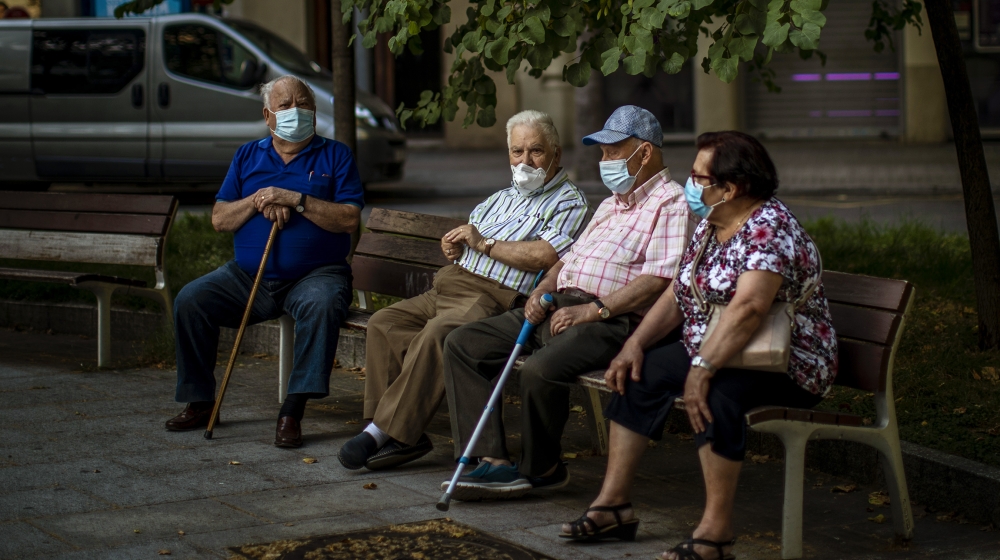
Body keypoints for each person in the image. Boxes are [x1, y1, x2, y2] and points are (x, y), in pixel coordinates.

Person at [558, 131, 837, 560]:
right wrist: (635, 343)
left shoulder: (769, 228)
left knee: (715, 394)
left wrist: (703, 367)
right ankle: (613, 505)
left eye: (699, 177)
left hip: (787, 363)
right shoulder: (712, 224)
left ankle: (716, 533)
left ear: (732, 188)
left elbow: (748, 309)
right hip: (716, 345)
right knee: (638, 373)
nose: (690, 184)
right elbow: (676, 294)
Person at [441, 105, 698, 501]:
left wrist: (592, 310)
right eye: (603, 152)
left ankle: (542, 468)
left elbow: (658, 279)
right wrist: (544, 287)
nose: (604, 161)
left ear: (644, 153)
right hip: (560, 303)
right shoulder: (613, 202)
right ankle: (487, 461)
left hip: (612, 318)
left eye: (613, 151)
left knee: (539, 370)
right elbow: (569, 257)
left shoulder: (670, 202)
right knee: (463, 343)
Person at [337, 110, 590, 471]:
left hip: (492, 296)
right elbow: (468, 236)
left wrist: (484, 244)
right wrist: (455, 246)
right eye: (517, 151)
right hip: (447, 285)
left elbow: (545, 255)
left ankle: (382, 432)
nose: (525, 160)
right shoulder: (499, 198)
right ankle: (395, 432)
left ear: (555, 154)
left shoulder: (570, 201)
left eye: (535, 151)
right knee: (384, 322)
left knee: (438, 334)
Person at [165, 75, 363, 448]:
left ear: (315, 112)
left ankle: (292, 408)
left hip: (316, 275)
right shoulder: (247, 155)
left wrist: (295, 199)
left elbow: (349, 219)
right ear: (268, 116)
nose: (296, 111)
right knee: (191, 300)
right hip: (248, 276)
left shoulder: (336, 155)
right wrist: (258, 198)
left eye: (303, 103)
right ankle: (201, 401)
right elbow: (220, 219)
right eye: (285, 105)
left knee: (322, 304)